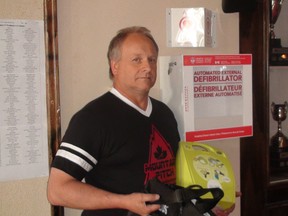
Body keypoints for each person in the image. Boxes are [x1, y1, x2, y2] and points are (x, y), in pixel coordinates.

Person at [47, 26, 236, 216]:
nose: (147, 67)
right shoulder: (92, 119)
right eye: (137, 60)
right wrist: (124, 202)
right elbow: (58, 190)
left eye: (151, 60)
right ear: (115, 66)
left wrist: (206, 202)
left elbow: (171, 180)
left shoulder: (164, 114)